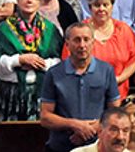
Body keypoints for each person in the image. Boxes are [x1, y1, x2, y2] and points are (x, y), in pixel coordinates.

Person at [41, 22, 122, 152]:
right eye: (77, 40)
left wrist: (93, 128)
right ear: (67, 44)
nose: (82, 45)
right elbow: (45, 117)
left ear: (93, 42)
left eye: (86, 39)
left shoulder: (106, 71)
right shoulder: (53, 73)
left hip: (98, 146)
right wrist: (74, 125)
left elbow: (115, 110)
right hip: (61, 147)